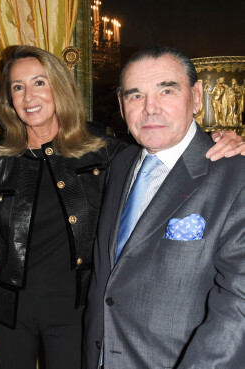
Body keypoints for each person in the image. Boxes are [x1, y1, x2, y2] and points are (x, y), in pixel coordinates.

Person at [0, 45, 245, 369]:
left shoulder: (105, 153)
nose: (28, 96)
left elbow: (170, 152)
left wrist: (226, 138)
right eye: (17, 87)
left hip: (75, 313)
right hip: (10, 311)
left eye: (39, 82)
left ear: (58, 87)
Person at [84, 46, 245, 369]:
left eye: (166, 90)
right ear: (121, 104)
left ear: (197, 96)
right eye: (135, 96)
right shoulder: (121, 163)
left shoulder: (235, 175)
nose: (150, 109)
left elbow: (239, 306)